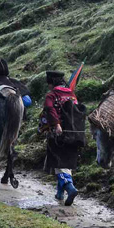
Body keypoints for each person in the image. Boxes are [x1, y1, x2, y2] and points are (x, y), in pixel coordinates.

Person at [39, 70, 80, 206]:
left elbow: (49, 110)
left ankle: (70, 188)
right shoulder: (72, 94)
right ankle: (59, 193)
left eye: (49, 84)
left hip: (58, 133)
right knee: (66, 163)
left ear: (52, 83)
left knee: (58, 163)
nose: (49, 86)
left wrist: (56, 124)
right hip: (73, 132)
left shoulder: (51, 95)